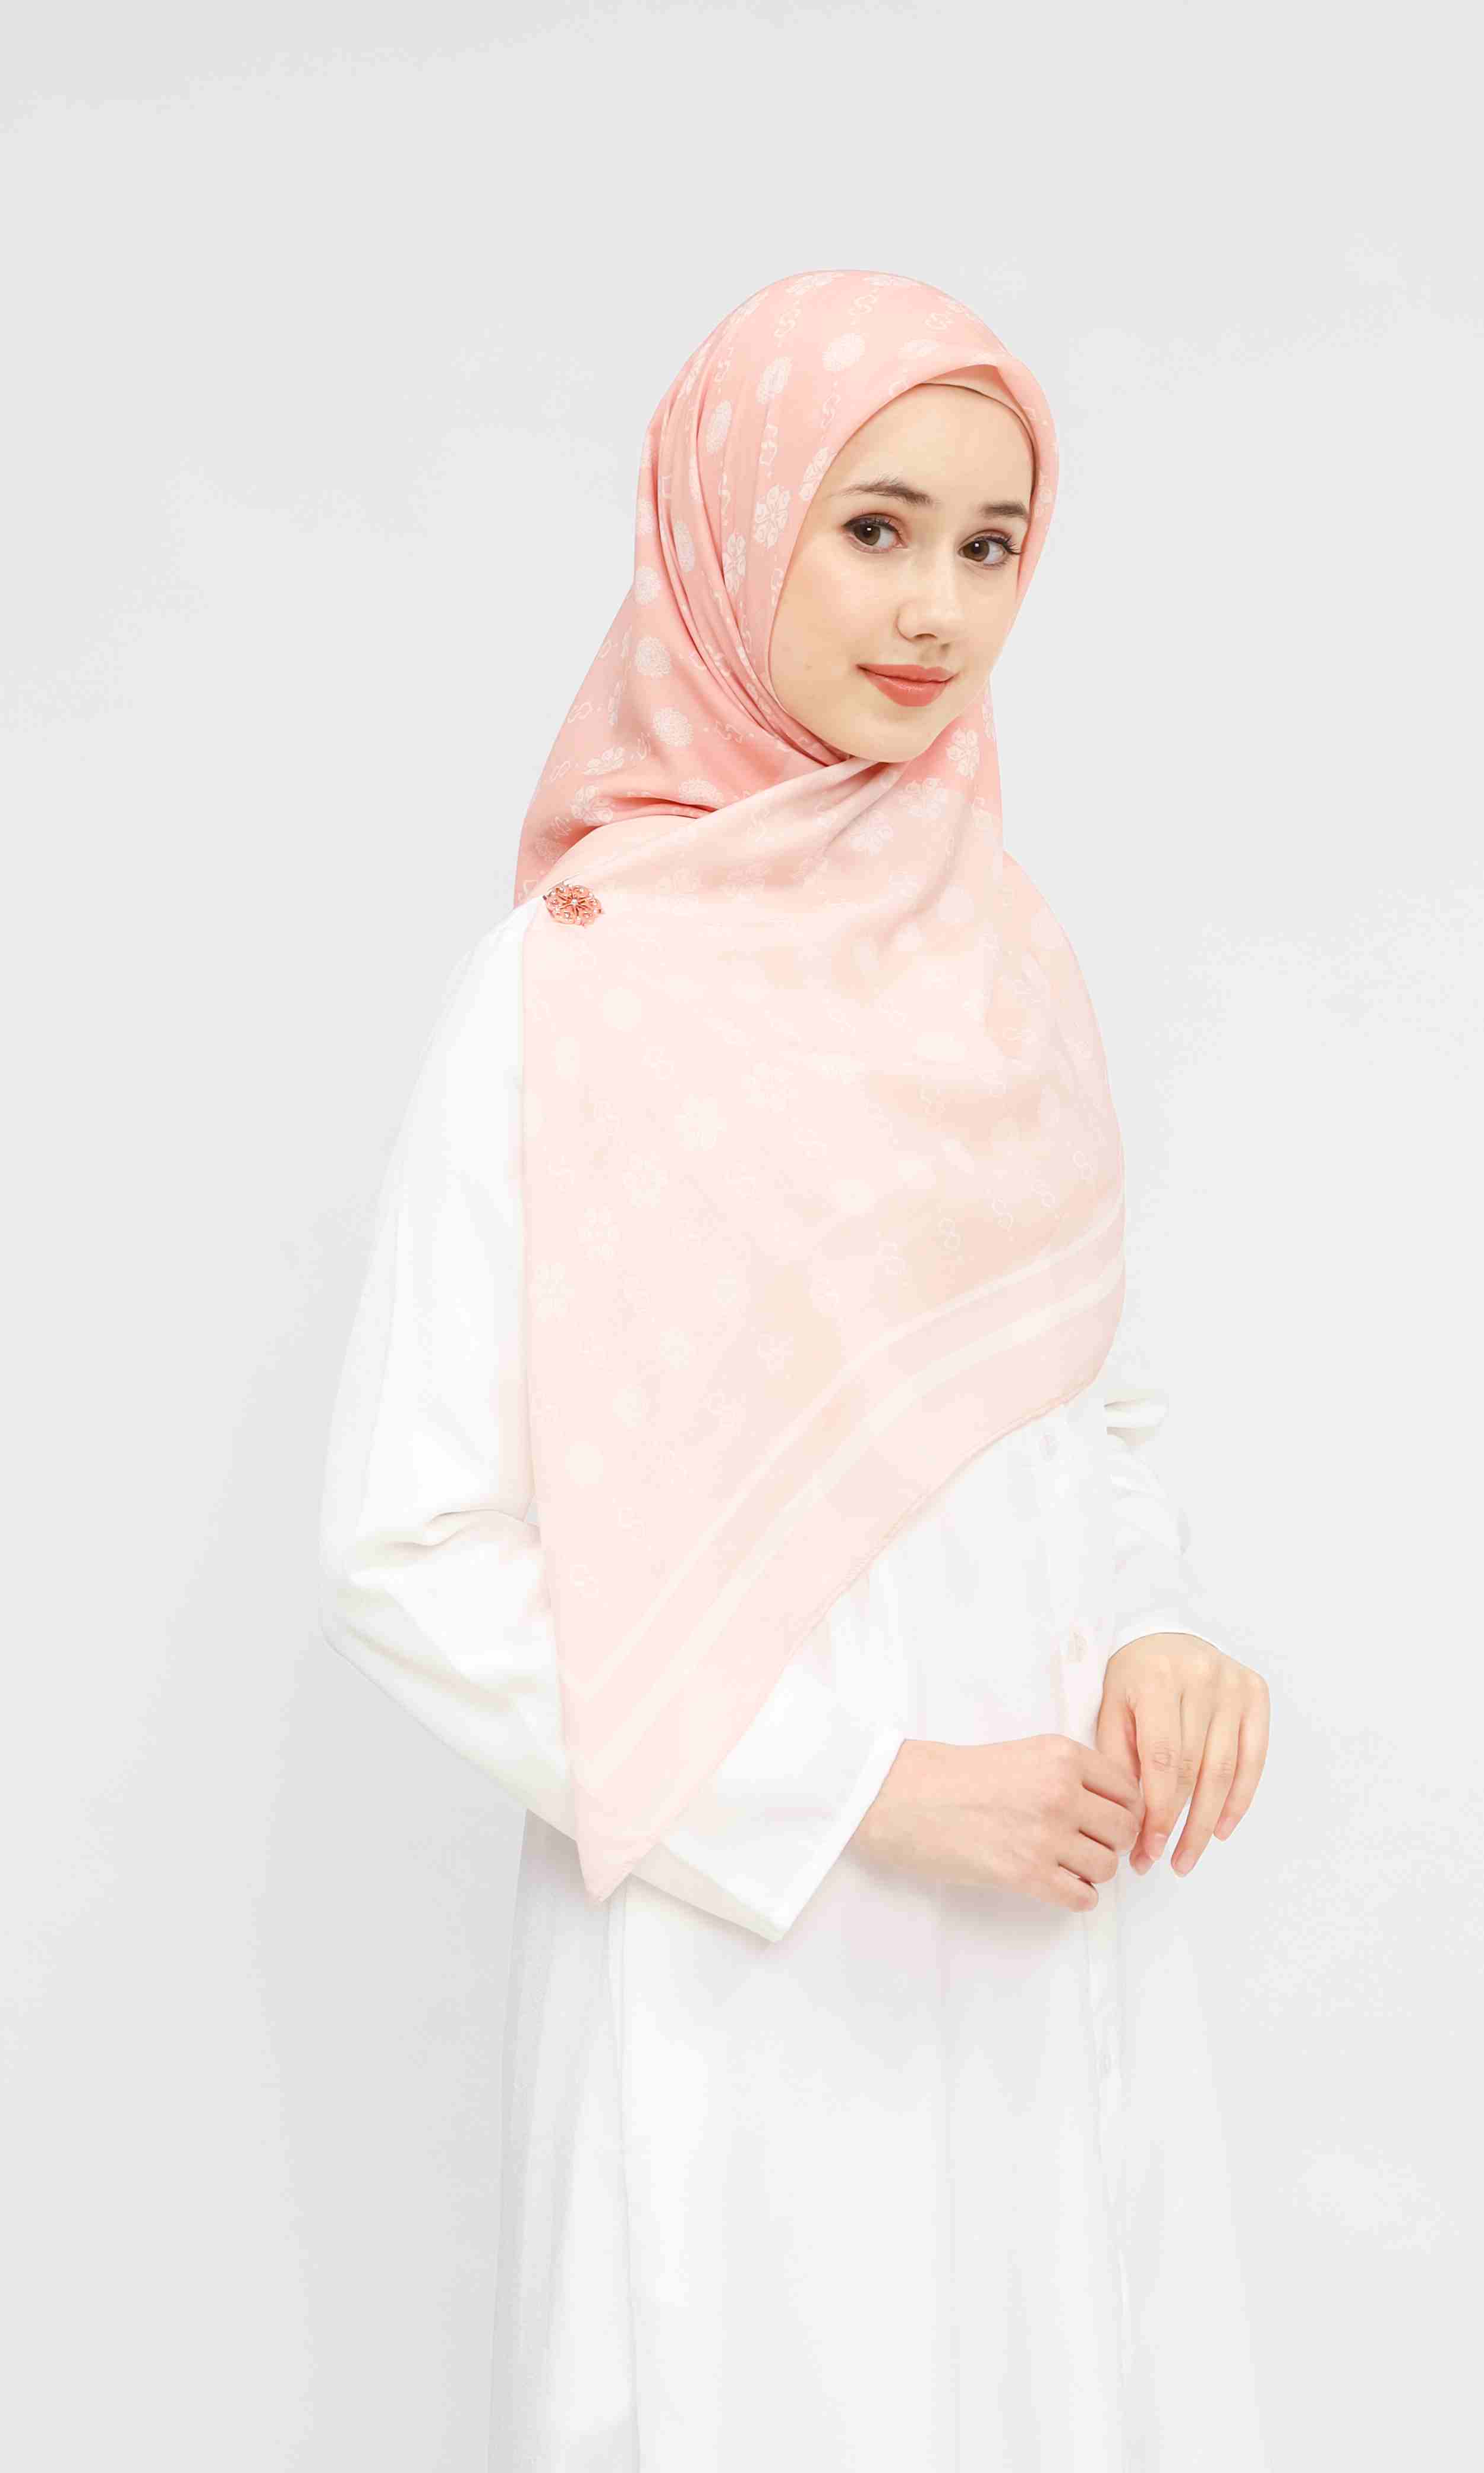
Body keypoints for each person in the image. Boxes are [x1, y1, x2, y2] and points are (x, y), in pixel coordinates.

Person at [317, 266, 1273, 2470]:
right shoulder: (570, 988)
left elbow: (1082, 1400)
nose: (937, 607)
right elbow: (407, 1549)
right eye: (874, 527)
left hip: (1050, 1908)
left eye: (992, 543)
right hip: (748, 1950)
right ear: (732, 526)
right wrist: (867, 1792)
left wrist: (1156, 1626)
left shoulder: (1002, 948)